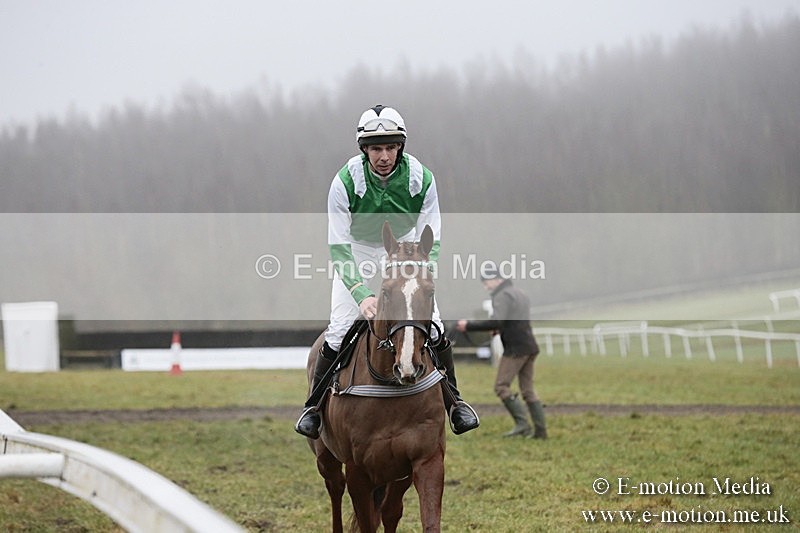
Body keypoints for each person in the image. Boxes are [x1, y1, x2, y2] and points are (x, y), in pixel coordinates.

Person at [295, 104, 479, 439]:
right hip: (358, 252)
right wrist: (361, 293)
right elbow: (338, 245)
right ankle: (313, 407)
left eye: (391, 147)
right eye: (376, 148)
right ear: (364, 150)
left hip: (405, 250)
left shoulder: (421, 178)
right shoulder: (345, 181)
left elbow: (432, 235)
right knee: (338, 330)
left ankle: (456, 404)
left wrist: (421, 274)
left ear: (400, 147)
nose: (384, 155)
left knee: (435, 326)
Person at [456, 263, 547, 439]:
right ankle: (540, 431)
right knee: (528, 390)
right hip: (529, 346)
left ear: (497, 279)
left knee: (501, 386)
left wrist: (468, 325)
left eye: (486, 281)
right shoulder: (519, 293)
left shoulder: (501, 296)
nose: (485, 286)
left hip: (515, 349)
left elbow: (497, 321)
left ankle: (522, 425)